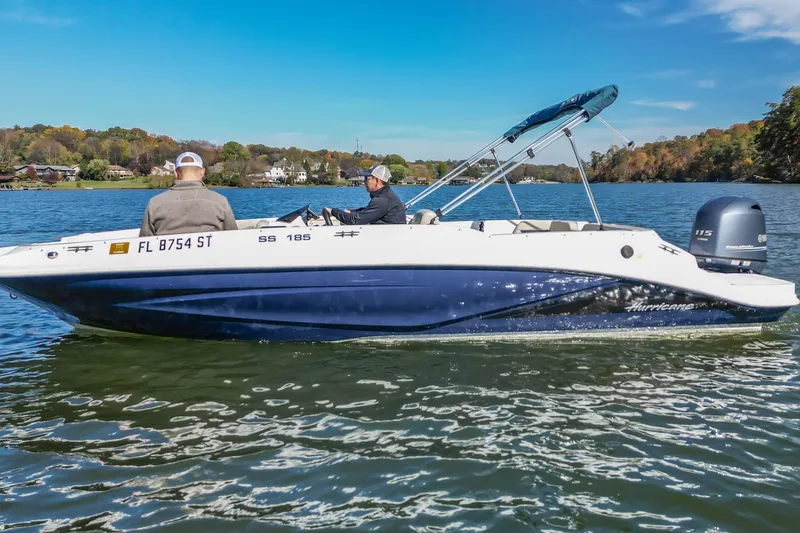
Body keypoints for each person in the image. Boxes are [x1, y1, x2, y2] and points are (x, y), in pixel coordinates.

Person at [139, 152, 238, 237]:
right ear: (202, 172)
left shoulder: (155, 203)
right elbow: (233, 238)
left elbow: (143, 242)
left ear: (176, 173)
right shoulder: (220, 201)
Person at [324, 164, 406, 225]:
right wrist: (352, 212)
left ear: (377, 181)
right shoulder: (385, 196)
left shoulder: (383, 200)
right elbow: (368, 211)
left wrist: (333, 212)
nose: (364, 181)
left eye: (367, 178)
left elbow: (356, 221)